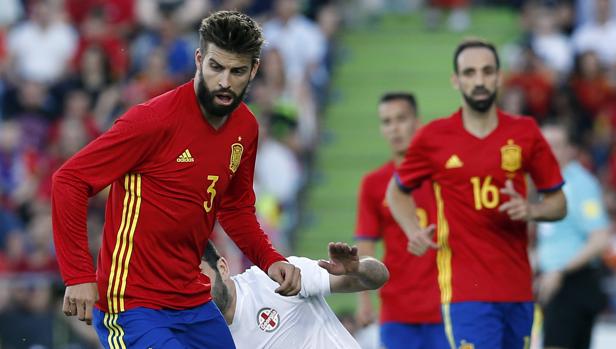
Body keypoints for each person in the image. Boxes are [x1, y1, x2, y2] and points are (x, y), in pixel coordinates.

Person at [51, 11, 301, 349]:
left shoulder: (246, 127)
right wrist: (78, 274)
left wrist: (271, 260)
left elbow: (236, 209)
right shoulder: (152, 120)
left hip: (193, 302)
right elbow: (69, 181)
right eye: (216, 67)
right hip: (130, 305)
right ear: (199, 60)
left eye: (237, 71)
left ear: (254, 70)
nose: (225, 81)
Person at [385, 38, 567, 349]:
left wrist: (532, 210)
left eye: (487, 72)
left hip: (519, 288)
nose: (479, 81)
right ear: (456, 80)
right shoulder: (434, 137)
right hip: (465, 290)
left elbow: (559, 203)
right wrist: (412, 230)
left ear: (499, 76)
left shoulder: (525, 132)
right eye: (469, 73)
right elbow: (397, 192)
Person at [355, 92, 447, 349]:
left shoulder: (444, 176)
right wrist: (363, 299)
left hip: (447, 304)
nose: (394, 128)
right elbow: (366, 246)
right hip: (397, 311)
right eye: (386, 121)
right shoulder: (373, 184)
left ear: (417, 122)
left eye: (401, 119)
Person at [200, 240, 390, 349]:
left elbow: (378, 278)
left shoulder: (274, 277)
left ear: (223, 268)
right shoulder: (204, 338)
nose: (194, 287)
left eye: (199, 276)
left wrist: (357, 269)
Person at [537, 124, 610, 349]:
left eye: (556, 146)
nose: (548, 152)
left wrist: (560, 270)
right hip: (554, 283)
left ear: (570, 149)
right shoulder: (549, 185)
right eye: (543, 146)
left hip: (573, 284)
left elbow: (600, 238)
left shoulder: (580, 184)